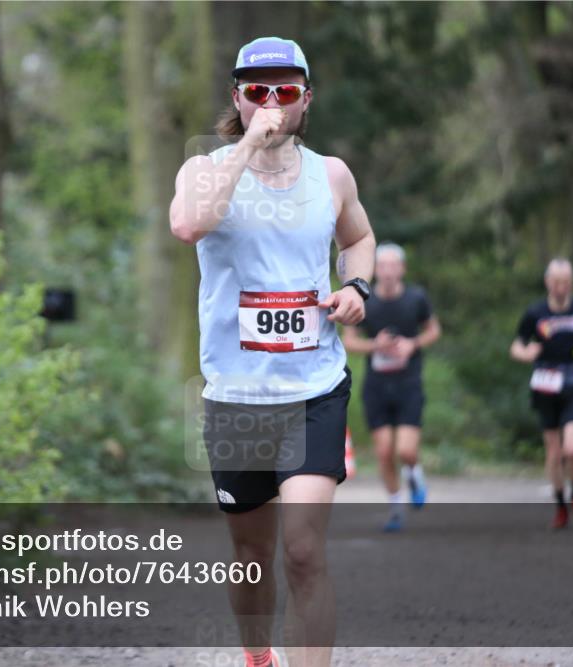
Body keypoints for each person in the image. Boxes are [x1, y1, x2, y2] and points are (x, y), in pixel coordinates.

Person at [169, 36, 376, 667]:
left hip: (314, 388)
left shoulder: (331, 175)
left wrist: (357, 286)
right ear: (237, 97)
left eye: (286, 92)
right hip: (235, 396)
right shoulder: (203, 169)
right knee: (252, 555)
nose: (273, 104)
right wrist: (248, 149)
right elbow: (189, 225)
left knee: (304, 552)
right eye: (258, 91)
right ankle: (258, 656)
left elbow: (361, 236)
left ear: (306, 99)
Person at [341, 243, 441, 532]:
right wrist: (376, 345)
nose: (386, 271)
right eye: (380, 266)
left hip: (409, 383)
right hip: (377, 386)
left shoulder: (416, 299)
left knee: (407, 451)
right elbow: (349, 340)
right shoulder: (366, 301)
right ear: (374, 269)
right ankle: (396, 508)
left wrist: (413, 344)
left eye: (391, 265)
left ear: (402, 269)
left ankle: (415, 475)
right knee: (385, 452)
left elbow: (434, 330)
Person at [510, 258, 573, 529]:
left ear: (571, 283)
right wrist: (526, 354)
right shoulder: (535, 313)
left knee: (571, 448)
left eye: (565, 281)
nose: (560, 286)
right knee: (553, 449)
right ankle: (561, 506)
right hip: (545, 384)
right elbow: (516, 346)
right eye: (555, 281)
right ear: (548, 282)